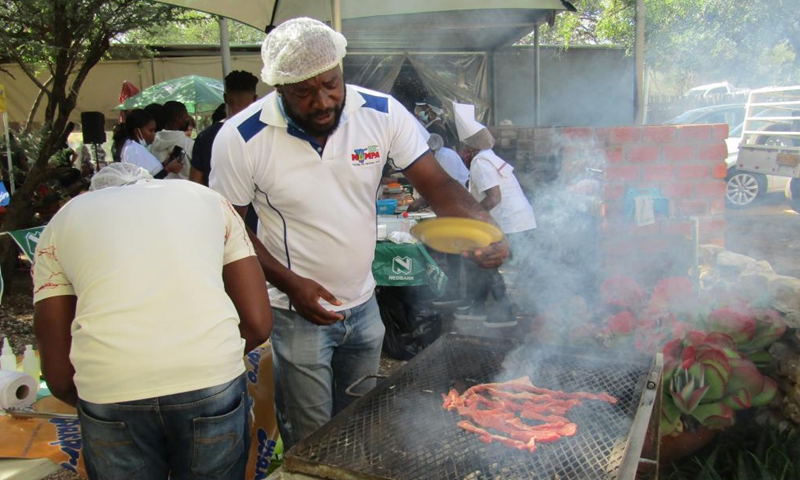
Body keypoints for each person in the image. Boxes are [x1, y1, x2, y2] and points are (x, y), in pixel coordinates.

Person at [209, 17, 508, 450]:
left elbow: (438, 184)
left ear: (342, 70)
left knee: (361, 423)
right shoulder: (241, 137)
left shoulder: (382, 113)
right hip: (296, 314)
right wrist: (291, 285)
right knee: (311, 437)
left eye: (331, 84)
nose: (322, 101)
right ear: (278, 89)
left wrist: (486, 229)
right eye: (303, 93)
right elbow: (227, 227)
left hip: (365, 305)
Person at [32, 163, 273, 479]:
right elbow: (257, 323)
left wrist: (103, 399)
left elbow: (58, 372)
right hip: (208, 375)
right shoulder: (207, 199)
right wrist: (210, 358)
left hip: (110, 383)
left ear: (96, 193)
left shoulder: (62, 222)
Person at [452, 102, 537, 328]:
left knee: (484, 260)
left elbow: (494, 197)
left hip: (511, 223)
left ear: (469, 150)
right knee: (474, 259)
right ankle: (478, 306)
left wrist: (473, 217)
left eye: (463, 150)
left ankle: (504, 311)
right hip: (520, 220)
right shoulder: (489, 157)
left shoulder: (480, 162)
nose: (461, 154)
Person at [190, 70, 260, 187]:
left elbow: (195, 184)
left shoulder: (205, 137)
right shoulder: (264, 132)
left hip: (218, 203)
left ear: (225, 98)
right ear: (255, 99)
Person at [111, 109, 182, 179]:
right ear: (137, 131)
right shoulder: (134, 150)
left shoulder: (131, 146)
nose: (154, 134)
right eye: (150, 130)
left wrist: (165, 164)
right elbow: (145, 183)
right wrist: (168, 170)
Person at [150, 101, 194, 179]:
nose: (188, 119)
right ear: (178, 119)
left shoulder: (152, 144)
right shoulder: (190, 144)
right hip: (186, 189)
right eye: (186, 116)